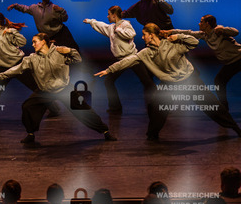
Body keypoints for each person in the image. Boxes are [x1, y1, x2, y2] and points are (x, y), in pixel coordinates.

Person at [95, 23, 241, 141]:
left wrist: (178, 36)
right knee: (156, 106)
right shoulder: (146, 52)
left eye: (144, 34)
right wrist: (109, 70)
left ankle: (235, 128)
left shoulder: (173, 43)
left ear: (151, 35)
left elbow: (194, 42)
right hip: (169, 83)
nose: (143, 37)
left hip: (189, 80)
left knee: (211, 105)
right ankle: (152, 135)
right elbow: (129, 60)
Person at [0, 33, 117, 143]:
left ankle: (105, 131)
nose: (33, 44)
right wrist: (0, 77)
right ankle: (30, 134)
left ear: (43, 42)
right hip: (45, 91)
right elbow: (17, 69)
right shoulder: (31, 59)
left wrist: (70, 51)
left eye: (35, 42)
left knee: (84, 111)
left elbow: (77, 60)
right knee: (27, 106)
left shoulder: (59, 52)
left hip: (64, 90)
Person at [84, 5, 155, 114]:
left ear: (114, 15)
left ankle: (157, 104)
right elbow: (102, 26)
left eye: (109, 14)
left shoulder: (125, 24)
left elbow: (131, 34)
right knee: (109, 81)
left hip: (132, 58)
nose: (107, 16)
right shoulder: (112, 27)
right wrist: (91, 21)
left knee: (147, 82)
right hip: (121, 60)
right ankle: (115, 107)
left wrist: (119, 29)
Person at [164, 15, 241, 112]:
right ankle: (224, 107)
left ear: (207, 24)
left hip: (239, 58)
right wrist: (170, 32)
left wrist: (223, 29)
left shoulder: (219, 32)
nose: (199, 24)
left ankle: (224, 107)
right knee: (219, 81)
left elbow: (235, 32)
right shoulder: (204, 35)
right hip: (230, 63)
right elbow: (189, 32)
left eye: (201, 22)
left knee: (219, 80)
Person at [7, 0, 80, 50]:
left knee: (73, 51)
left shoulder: (54, 8)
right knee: (55, 56)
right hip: (48, 38)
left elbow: (64, 19)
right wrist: (15, 5)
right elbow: (24, 8)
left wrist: (62, 10)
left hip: (61, 34)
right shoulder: (34, 8)